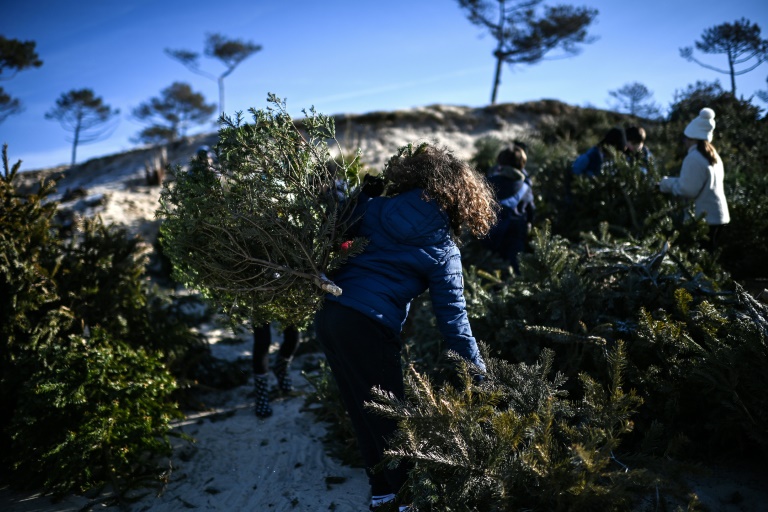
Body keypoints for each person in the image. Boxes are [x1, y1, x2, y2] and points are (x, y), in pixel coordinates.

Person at [314, 143, 496, 511]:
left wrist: (359, 198)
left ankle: (383, 495)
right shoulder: (444, 249)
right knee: (393, 421)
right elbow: (454, 321)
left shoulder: (376, 206)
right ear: (463, 198)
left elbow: (334, 234)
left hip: (330, 315)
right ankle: (407, 501)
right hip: (370, 324)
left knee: (363, 412)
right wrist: (478, 373)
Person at [659, 107, 730, 252]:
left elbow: (688, 189)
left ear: (692, 138)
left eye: (686, 138)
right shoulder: (714, 155)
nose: (684, 142)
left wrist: (665, 184)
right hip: (719, 215)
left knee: (698, 261)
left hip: (703, 219)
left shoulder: (694, 158)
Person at [483, 144, 534, 274]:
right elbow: (531, 211)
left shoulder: (489, 182)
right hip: (515, 234)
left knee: (490, 270)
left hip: (491, 233)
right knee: (516, 270)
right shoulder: (525, 187)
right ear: (522, 164)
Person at [252, 322, 300, 418]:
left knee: (294, 337)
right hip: (258, 307)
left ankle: (281, 369)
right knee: (262, 342)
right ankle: (261, 393)